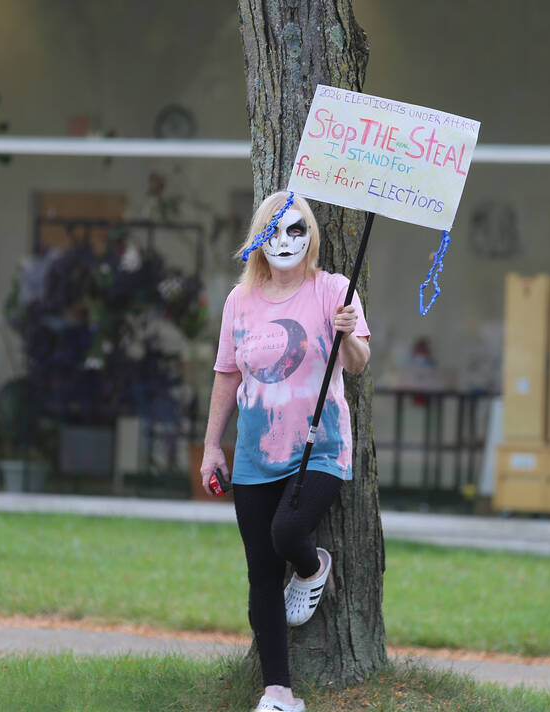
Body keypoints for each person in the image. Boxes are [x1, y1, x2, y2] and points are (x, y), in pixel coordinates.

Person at [200, 191, 370, 712]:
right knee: (261, 575)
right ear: (258, 238)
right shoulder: (239, 300)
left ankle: (313, 568)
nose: (285, 239)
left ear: (311, 236)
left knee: (288, 532)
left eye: (297, 229)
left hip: (319, 449)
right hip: (255, 454)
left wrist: (348, 334)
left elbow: (358, 363)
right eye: (274, 230)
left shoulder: (334, 290)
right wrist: (211, 447)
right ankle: (279, 693)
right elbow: (226, 374)